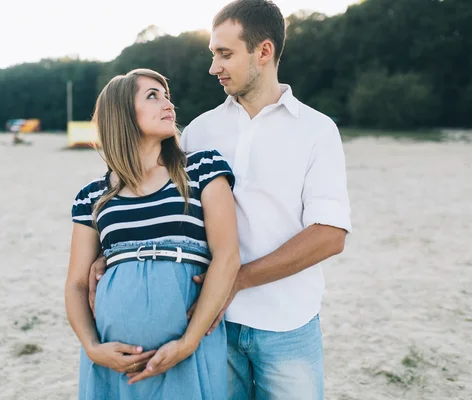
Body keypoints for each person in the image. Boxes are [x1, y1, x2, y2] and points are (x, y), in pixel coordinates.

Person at [90, 1, 352, 399]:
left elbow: (330, 235)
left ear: (263, 52)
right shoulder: (198, 131)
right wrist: (111, 253)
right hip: (211, 323)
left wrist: (237, 279)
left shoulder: (317, 131)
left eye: (225, 54)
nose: (214, 67)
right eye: (213, 53)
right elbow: (151, 197)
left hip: (287, 322)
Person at [65, 68, 241, 399]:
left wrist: (188, 343)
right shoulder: (92, 196)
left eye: (167, 96)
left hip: (187, 350)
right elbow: (75, 284)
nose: (168, 104)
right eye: (152, 96)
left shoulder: (202, 169)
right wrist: (91, 347)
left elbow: (228, 257)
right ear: (121, 114)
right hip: (112, 359)